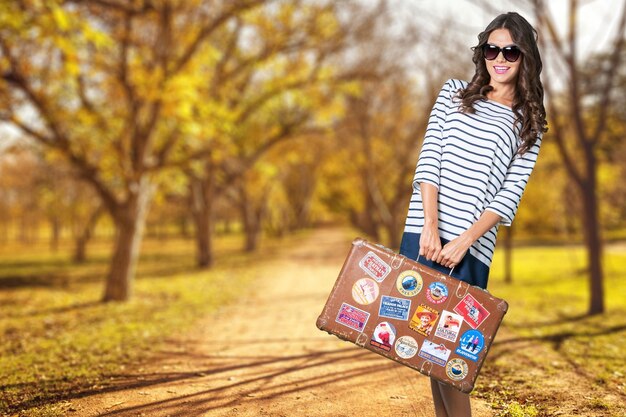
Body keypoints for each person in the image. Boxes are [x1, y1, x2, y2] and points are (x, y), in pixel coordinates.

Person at [399, 12, 547, 417]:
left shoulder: (529, 123)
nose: (499, 59)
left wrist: (463, 240)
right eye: (491, 49)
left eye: (510, 52)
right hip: (423, 232)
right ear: (482, 51)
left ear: (525, 59)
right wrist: (430, 227)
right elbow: (429, 161)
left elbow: (508, 196)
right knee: (426, 345)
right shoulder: (453, 93)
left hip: (470, 247)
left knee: (451, 353)